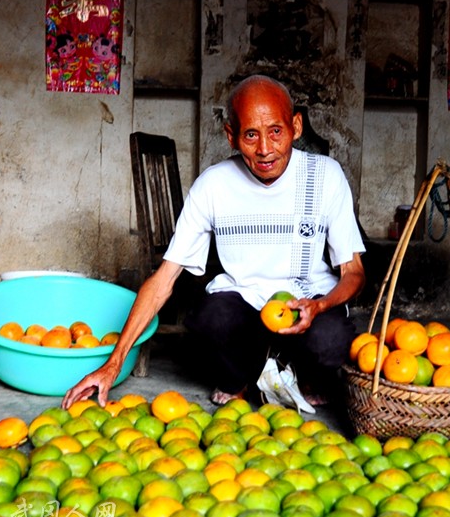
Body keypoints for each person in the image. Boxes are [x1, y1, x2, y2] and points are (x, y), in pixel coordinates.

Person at [62, 75, 366, 409]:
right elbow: (164, 280)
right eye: (251, 134)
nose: (265, 149)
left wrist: (319, 306)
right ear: (231, 136)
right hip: (247, 312)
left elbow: (354, 273)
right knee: (210, 318)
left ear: (295, 126)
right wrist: (112, 364)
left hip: (307, 305)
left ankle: (301, 373)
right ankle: (242, 379)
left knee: (332, 341)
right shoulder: (214, 185)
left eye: (276, 131)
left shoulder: (326, 175)